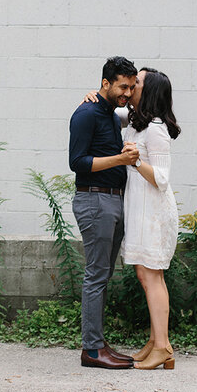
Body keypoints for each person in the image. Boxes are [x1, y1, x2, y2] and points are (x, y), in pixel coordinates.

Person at [84, 67, 181, 370]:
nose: (129, 87)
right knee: (145, 274)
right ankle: (154, 342)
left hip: (154, 212)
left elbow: (162, 179)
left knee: (152, 276)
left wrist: (136, 161)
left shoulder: (155, 129)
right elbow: (110, 110)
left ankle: (163, 347)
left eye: (135, 83)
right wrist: (93, 96)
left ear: (147, 91)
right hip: (140, 211)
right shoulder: (136, 123)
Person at [68, 56, 139, 369]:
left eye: (131, 87)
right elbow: (78, 162)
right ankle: (92, 350)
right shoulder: (86, 114)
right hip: (94, 200)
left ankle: (97, 344)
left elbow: (142, 110)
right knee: (96, 275)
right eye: (122, 86)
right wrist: (119, 161)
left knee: (103, 276)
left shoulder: (111, 113)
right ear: (106, 83)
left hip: (113, 200)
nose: (127, 92)